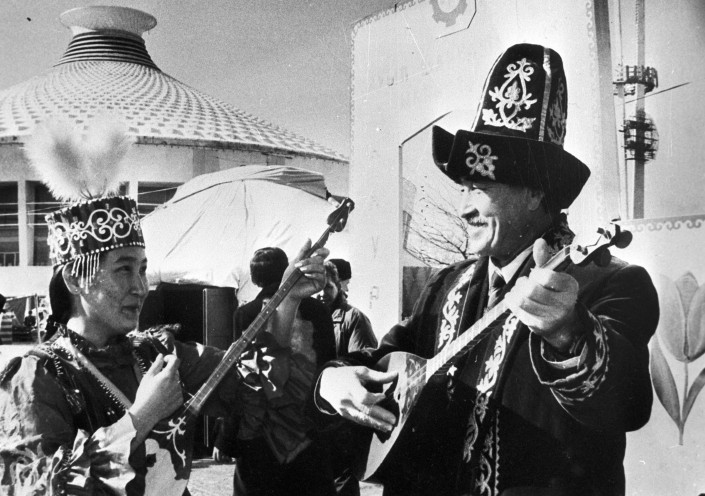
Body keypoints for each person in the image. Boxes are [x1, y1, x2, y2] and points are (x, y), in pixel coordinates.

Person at [315, 43, 659, 496]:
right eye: (463, 189)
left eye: (479, 188)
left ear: (535, 192)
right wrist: (333, 379)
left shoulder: (611, 283)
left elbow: (627, 405)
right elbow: (384, 359)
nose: (464, 208)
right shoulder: (445, 285)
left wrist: (570, 333)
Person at [0, 118, 329, 496]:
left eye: (143, 269)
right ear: (75, 280)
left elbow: (254, 388)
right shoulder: (37, 376)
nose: (140, 287)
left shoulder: (158, 354)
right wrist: (140, 418)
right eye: (123, 270)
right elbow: (35, 486)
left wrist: (287, 300)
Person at [213, 247, 337, 495]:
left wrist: (225, 438)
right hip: (308, 433)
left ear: (255, 278)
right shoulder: (319, 311)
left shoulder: (246, 314)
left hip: (259, 437)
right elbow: (329, 370)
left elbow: (241, 379)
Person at [319, 261, 377, 496]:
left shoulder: (353, 318)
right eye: (317, 287)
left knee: (341, 482)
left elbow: (363, 363)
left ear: (339, 286)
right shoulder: (304, 317)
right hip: (310, 418)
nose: (322, 293)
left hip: (339, 420)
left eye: (328, 286)